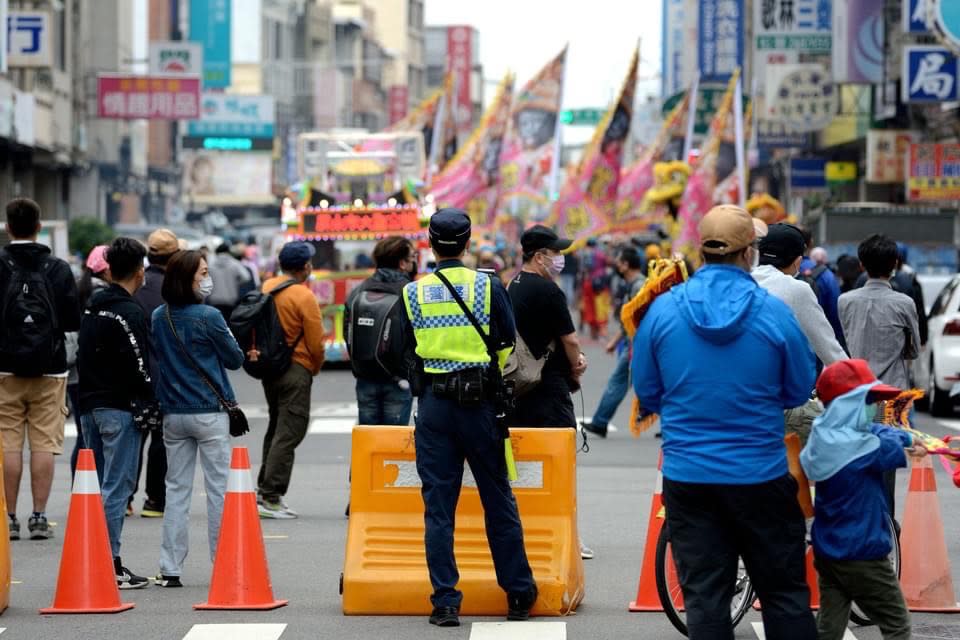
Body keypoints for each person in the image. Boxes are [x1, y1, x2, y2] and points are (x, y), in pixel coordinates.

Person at [632, 205, 818, 640]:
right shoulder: (773, 314)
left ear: (702, 250)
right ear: (749, 253)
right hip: (762, 476)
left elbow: (649, 392)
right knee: (785, 595)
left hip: (690, 479)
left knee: (706, 601)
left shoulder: (662, 312)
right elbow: (797, 390)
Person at [401, 208, 537, 627]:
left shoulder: (413, 293)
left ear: (429, 241)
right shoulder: (487, 286)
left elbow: (406, 352)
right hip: (479, 404)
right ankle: (517, 595)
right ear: (468, 241)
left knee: (438, 507)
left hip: (435, 408)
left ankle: (445, 601)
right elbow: (504, 340)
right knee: (497, 498)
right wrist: (483, 371)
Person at [800, 359, 923, 640]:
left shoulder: (823, 436)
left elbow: (875, 433)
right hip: (864, 552)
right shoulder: (864, 449)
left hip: (829, 552)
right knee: (897, 623)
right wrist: (908, 440)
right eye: (869, 401)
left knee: (829, 627)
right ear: (849, 405)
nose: (876, 408)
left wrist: (900, 437)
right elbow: (886, 442)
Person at [151, 250, 244, 587]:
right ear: (187, 278)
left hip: (173, 412)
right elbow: (234, 359)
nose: (208, 278)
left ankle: (170, 566)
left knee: (176, 490)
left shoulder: (160, 317)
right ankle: (222, 563)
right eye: (203, 272)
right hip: (209, 411)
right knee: (218, 490)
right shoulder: (210, 316)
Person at [0, 198, 81, 541]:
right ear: (38, 227)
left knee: (9, 442)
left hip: (4, 366)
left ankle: (9, 518)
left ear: (7, 226)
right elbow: (72, 320)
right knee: (44, 443)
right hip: (50, 367)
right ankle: (38, 516)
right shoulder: (57, 268)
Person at [78, 237, 153, 588]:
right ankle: (110, 563)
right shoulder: (131, 312)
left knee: (94, 487)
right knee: (116, 487)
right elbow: (140, 366)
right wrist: (150, 395)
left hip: (89, 405)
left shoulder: (94, 305)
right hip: (120, 408)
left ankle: (89, 557)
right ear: (139, 271)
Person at [839, 234, 920, 517]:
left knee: (856, 460)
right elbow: (913, 351)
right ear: (895, 264)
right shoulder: (904, 303)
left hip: (855, 393)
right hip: (893, 393)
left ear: (862, 265)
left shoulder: (845, 301)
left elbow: (846, 341)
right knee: (886, 465)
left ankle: (860, 519)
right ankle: (886, 528)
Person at [257, 241, 326, 519]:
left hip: (268, 368)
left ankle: (265, 489)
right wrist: (315, 367)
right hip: (296, 368)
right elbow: (315, 342)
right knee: (289, 432)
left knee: (276, 428)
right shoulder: (303, 296)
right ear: (305, 266)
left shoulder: (266, 287)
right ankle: (271, 496)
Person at [508, 225, 588, 429]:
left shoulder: (513, 283)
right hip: (549, 387)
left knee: (527, 453)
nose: (560, 258)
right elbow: (570, 340)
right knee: (557, 450)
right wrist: (576, 365)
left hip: (522, 382)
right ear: (539, 257)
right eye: (556, 252)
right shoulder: (549, 290)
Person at [131, 228, 179, 518]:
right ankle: (155, 500)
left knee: (133, 437)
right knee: (162, 439)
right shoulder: (176, 291)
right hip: (167, 375)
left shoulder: (137, 287)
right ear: (174, 257)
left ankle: (124, 497)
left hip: (135, 373)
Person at [343, 236, 417, 426]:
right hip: (398, 379)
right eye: (411, 258)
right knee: (393, 444)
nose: (413, 262)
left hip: (365, 376)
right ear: (402, 263)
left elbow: (348, 331)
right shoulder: (409, 292)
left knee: (369, 442)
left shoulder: (359, 290)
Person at [753, 224, 847, 367]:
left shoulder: (743, 281)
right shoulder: (797, 289)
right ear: (798, 262)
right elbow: (829, 349)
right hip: (773, 381)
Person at [582, 246, 646, 438]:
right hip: (632, 342)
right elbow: (628, 320)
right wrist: (615, 341)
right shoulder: (633, 284)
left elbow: (639, 319)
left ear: (626, 265)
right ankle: (601, 422)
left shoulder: (639, 286)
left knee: (619, 382)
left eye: (618, 261)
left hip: (638, 344)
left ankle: (600, 422)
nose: (615, 264)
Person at [66, 245, 111, 480]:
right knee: (98, 437)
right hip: (97, 375)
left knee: (84, 436)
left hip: (75, 374)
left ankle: (80, 490)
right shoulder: (105, 295)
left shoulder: (77, 289)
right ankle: (92, 491)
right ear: (106, 270)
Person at [799, 228, 844, 346]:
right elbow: (835, 313)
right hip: (817, 344)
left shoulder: (778, 272)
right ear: (811, 243)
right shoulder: (826, 275)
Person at [206, 243, 251, 320]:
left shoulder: (210, 264)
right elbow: (246, 277)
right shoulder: (235, 263)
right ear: (228, 252)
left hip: (214, 299)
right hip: (231, 299)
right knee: (229, 324)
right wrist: (236, 283)